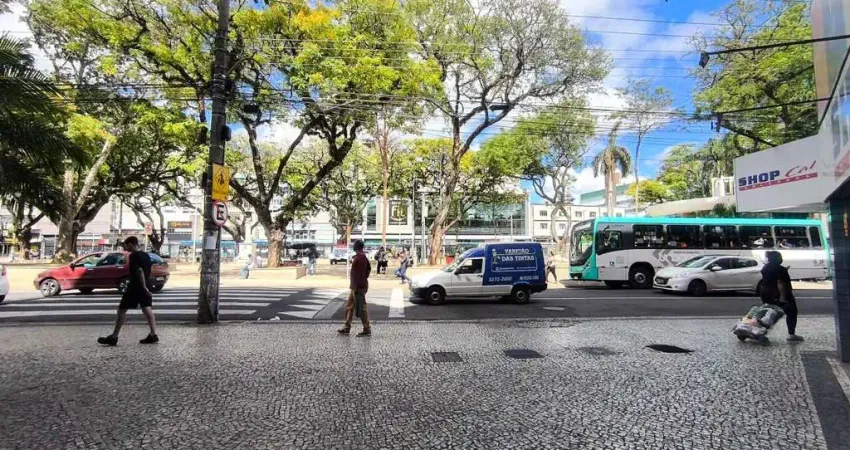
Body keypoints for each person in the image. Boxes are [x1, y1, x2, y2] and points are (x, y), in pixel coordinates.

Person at [97, 236, 158, 346]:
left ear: (130, 244)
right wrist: (146, 286)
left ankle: (114, 337)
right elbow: (148, 270)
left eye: (125, 245)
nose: (125, 248)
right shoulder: (146, 255)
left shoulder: (133, 255)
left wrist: (143, 287)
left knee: (122, 310)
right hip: (146, 284)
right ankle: (153, 334)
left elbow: (139, 271)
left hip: (135, 286)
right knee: (147, 308)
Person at [760, 250, 802, 342]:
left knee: (769, 314)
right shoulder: (780, 269)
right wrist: (782, 297)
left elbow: (771, 279)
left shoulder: (765, 268)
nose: (781, 259)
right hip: (779, 294)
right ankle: (791, 334)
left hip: (766, 294)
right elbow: (781, 283)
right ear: (777, 258)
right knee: (791, 312)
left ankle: (758, 331)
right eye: (780, 257)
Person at [338, 239, 371, 337]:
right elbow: (368, 270)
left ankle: (366, 329)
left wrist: (357, 286)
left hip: (358, 287)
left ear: (356, 247)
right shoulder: (362, 257)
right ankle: (346, 327)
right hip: (356, 286)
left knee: (362, 308)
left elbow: (359, 274)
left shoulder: (360, 258)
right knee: (350, 306)